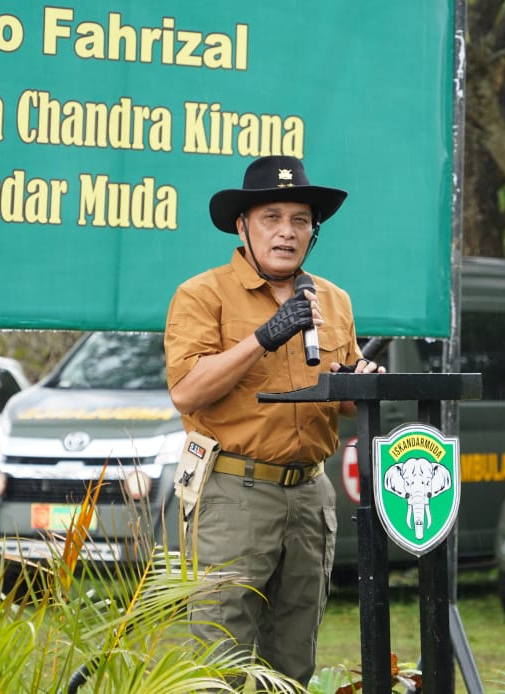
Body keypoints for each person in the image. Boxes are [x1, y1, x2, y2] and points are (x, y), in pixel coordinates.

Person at [164, 155, 382, 687]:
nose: (287, 232)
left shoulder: (333, 299)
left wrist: (362, 380)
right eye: (272, 217)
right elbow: (187, 390)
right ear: (242, 226)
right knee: (221, 654)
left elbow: (341, 401)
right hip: (234, 491)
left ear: (313, 231)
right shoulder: (203, 294)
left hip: (310, 494)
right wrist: (264, 336)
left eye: (301, 220)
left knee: (292, 657)